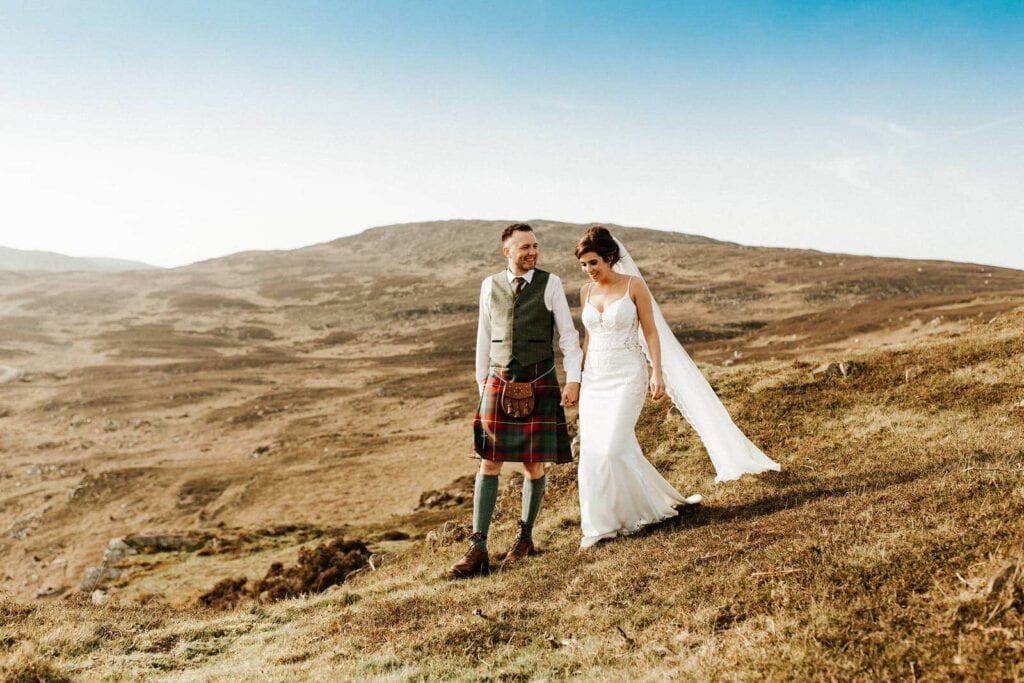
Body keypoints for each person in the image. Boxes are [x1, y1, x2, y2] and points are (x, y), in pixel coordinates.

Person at [574, 226, 779, 549]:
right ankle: (603, 524)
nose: (589, 270)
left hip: (628, 374)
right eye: (584, 265)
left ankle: (642, 510)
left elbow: (652, 333)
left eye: (594, 263)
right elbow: (589, 338)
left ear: (610, 258)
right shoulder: (585, 293)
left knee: (613, 446)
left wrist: (657, 372)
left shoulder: (634, 286)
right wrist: (578, 377)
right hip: (594, 380)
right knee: (594, 451)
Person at [448, 223, 582, 578]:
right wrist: (482, 382)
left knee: (533, 466)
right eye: (524, 247)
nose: (532, 252)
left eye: (535, 246)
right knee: (488, 462)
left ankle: (524, 539)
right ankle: (478, 548)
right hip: (498, 382)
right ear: (507, 251)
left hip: (540, 381)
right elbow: (483, 336)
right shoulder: (489, 286)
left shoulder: (550, 283)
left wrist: (574, 380)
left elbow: (568, 336)